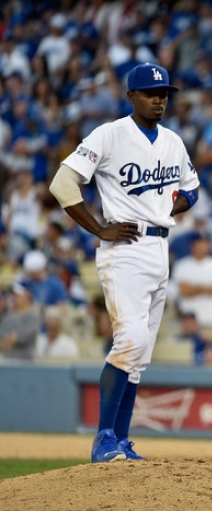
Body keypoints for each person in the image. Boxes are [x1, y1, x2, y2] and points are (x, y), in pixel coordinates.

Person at [48, 62, 200, 463]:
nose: (159, 99)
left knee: (139, 356)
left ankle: (121, 441)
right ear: (131, 96)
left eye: (164, 93)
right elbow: (62, 183)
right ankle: (103, 439)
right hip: (125, 250)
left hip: (160, 249)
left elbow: (192, 189)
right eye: (151, 93)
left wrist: (173, 205)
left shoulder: (172, 141)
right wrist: (98, 229)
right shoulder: (110, 134)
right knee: (129, 342)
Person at [0, 283, 41, 360]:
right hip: (6, 360)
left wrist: (10, 340)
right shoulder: (8, 316)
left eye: (18, 295)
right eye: (15, 295)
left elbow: (21, 338)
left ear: (28, 295)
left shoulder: (33, 316)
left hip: (26, 361)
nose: (15, 297)